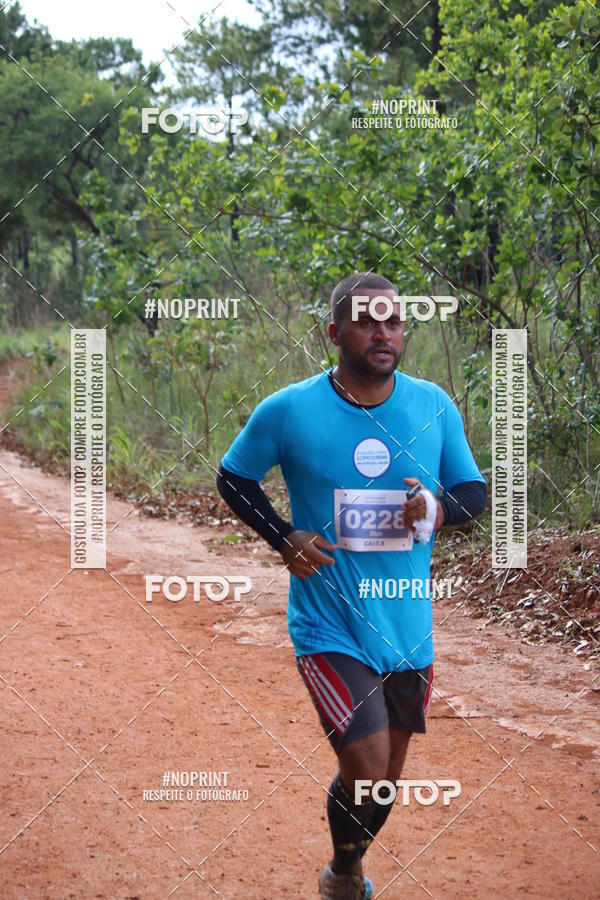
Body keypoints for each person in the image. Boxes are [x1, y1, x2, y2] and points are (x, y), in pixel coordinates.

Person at [216, 272, 487, 899]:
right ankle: (348, 876)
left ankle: (342, 871)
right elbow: (234, 477)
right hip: (327, 621)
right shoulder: (290, 409)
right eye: (366, 321)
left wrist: (441, 510)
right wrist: (283, 535)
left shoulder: (432, 406)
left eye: (392, 322)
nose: (382, 333)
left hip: (407, 628)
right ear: (335, 332)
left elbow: (474, 491)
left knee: (384, 780)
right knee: (363, 764)